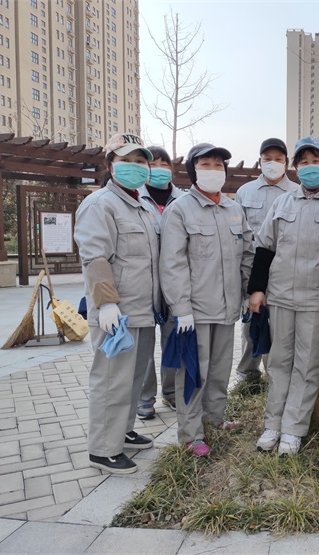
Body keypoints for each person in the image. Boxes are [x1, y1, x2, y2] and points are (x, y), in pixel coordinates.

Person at [247, 136, 319, 456]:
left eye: (316, 161)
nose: (310, 167)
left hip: (318, 300)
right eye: (304, 162)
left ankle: (293, 429)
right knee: (278, 363)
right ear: (295, 167)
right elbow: (265, 247)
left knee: (308, 366)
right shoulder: (283, 203)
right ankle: (272, 425)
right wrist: (257, 289)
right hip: (280, 296)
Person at [159, 143, 254, 456]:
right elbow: (172, 263)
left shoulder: (234, 209)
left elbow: (247, 254)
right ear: (193, 170)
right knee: (193, 374)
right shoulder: (180, 210)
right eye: (206, 164)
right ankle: (191, 435)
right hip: (194, 312)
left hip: (227, 310)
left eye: (218, 165)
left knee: (219, 370)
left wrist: (246, 293)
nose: (213, 170)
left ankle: (214, 419)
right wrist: (181, 309)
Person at [74, 133, 159, 474]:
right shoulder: (100, 205)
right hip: (117, 314)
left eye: (140, 161)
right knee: (111, 380)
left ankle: (122, 431)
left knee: (132, 378)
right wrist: (107, 303)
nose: (134, 167)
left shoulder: (142, 206)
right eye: (126, 161)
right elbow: (95, 258)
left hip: (142, 311)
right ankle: (102, 449)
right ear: (110, 165)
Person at [234, 139, 299, 389]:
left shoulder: (297, 192)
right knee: (251, 323)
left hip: (284, 268)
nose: (273, 163)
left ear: (287, 163)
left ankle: (277, 378)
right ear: (260, 161)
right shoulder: (245, 192)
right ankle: (247, 377)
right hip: (253, 267)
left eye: (278, 159)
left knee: (281, 326)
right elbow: (238, 232)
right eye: (267, 159)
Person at [135, 146, 185, 420]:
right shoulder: (134, 197)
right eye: (152, 164)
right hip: (143, 283)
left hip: (174, 282)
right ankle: (144, 398)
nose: (158, 169)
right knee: (143, 344)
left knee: (173, 340)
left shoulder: (184, 199)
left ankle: (172, 392)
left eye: (164, 164)